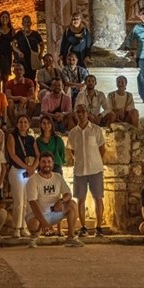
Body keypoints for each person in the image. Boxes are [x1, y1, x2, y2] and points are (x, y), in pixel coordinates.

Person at [26, 152, 84, 247]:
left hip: (55, 212)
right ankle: (34, 237)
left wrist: (61, 201)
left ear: (53, 164)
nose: (46, 165)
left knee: (72, 204)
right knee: (34, 225)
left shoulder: (58, 177)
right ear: (39, 164)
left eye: (49, 162)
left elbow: (68, 194)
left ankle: (71, 237)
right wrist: (43, 222)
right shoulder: (33, 180)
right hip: (38, 215)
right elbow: (33, 203)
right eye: (43, 162)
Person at [68, 106, 107, 236]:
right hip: (79, 170)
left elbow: (102, 148)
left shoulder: (96, 130)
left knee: (98, 198)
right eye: (78, 112)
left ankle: (99, 227)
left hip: (95, 169)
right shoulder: (73, 133)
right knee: (80, 199)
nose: (81, 114)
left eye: (83, 111)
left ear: (87, 113)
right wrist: (81, 160)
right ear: (75, 114)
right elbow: (73, 150)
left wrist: (94, 161)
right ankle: (83, 227)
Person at [6, 115, 38, 237]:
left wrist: (33, 168)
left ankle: (24, 226)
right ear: (17, 124)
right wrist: (27, 167)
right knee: (19, 200)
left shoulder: (31, 139)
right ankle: (16, 228)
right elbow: (13, 155)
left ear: (28, 124)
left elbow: (37, 155)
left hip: (29, 173)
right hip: (17, 171)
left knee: (27, 201)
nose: (23, 124)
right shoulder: (12, 137)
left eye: (25, 122)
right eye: (20, 122)